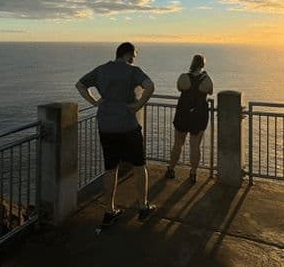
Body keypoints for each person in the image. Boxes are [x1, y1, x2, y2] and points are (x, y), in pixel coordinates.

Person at [76, 42, 156, 226]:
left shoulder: (101, 70)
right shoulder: (132, 71)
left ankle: (109, 211)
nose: (134, 59)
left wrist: (95, 102)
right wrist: (138, 105)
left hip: (106, 126)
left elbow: (80, 85)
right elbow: (150, 86)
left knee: (110, 168)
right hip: (128, 125)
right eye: (134, 56)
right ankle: (143, 207)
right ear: (128, 55)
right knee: (139, 165)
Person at [166, 53, 213, 183]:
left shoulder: (183, 77)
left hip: (183, 112)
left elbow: (179, 87)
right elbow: (210, 91)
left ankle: (171, 169)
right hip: (199, 114)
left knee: (178, 143)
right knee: (195, 145)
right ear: (203, 64)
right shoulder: (206, 79)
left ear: (192, 63)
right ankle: (193, 173)